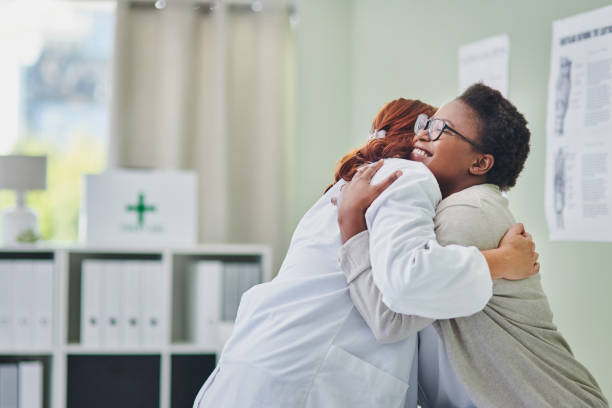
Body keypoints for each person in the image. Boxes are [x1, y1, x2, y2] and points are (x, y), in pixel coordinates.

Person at [192, 98, 538, 408]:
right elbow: (402, 295)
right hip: (309, 379)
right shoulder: (406, 177)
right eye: (430, 127)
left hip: (258, 365)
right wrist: (502, 261)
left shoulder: (351, 184)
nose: (428, 137)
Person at [336, 83, 608, 407]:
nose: (421, 135)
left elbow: (388, 317)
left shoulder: (466, 213)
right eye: (427, 123)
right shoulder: (447, 205)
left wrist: (351, 223)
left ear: (479, 164)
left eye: (441, 129)